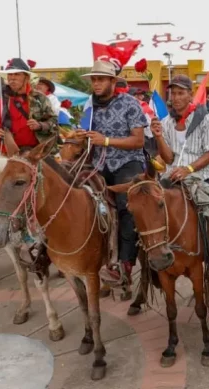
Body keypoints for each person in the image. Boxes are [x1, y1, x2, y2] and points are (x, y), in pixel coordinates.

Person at [76, 60, 147, 287]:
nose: (96, 84)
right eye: (93, 79)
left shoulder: (130, 103)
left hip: (128, 162)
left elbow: (138, 141)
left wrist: (105, 140)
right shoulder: (89, 106)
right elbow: (85, 135)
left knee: (127, 205)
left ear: (112, 81)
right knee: (75, 197)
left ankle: (124, 264)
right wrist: (78, 137)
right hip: (98, 164)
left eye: (101, 79)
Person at [151, 74, 209, 260]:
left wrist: (188, 169)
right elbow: (169, 157)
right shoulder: (166, 123)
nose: (176, 97)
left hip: (204, 175)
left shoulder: (206, 120)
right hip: (173, 175)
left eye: (181, 93)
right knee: (150, 211)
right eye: (173, 93)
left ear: (190, 95)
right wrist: (158, 137)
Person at [0, 58, 58, 152]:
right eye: (10, 74)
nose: (12, 78)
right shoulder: (1, 99)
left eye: (17, 74)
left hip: (34, 152)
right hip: (6, 151)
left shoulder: (39, 98)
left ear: (27, 78)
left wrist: (40, 125)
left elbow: (54, 123)